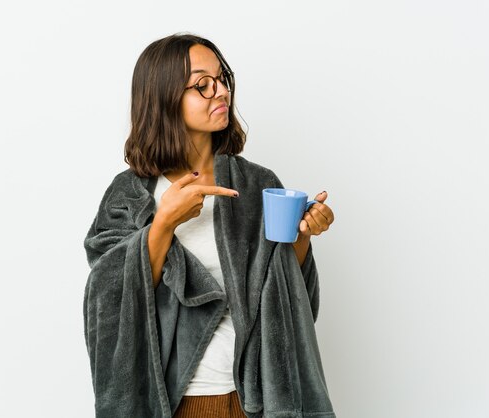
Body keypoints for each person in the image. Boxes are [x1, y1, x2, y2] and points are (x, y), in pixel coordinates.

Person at [83, 33, 337, 418]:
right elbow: (107, 302)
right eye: (202, 84)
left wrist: (301, 238)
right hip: (175, 402)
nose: (220, 92)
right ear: (164, 97)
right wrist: (163, 223)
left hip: (257, 399)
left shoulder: (257, 185)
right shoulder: (130, 195)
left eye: (222, 79)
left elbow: (294, 300)